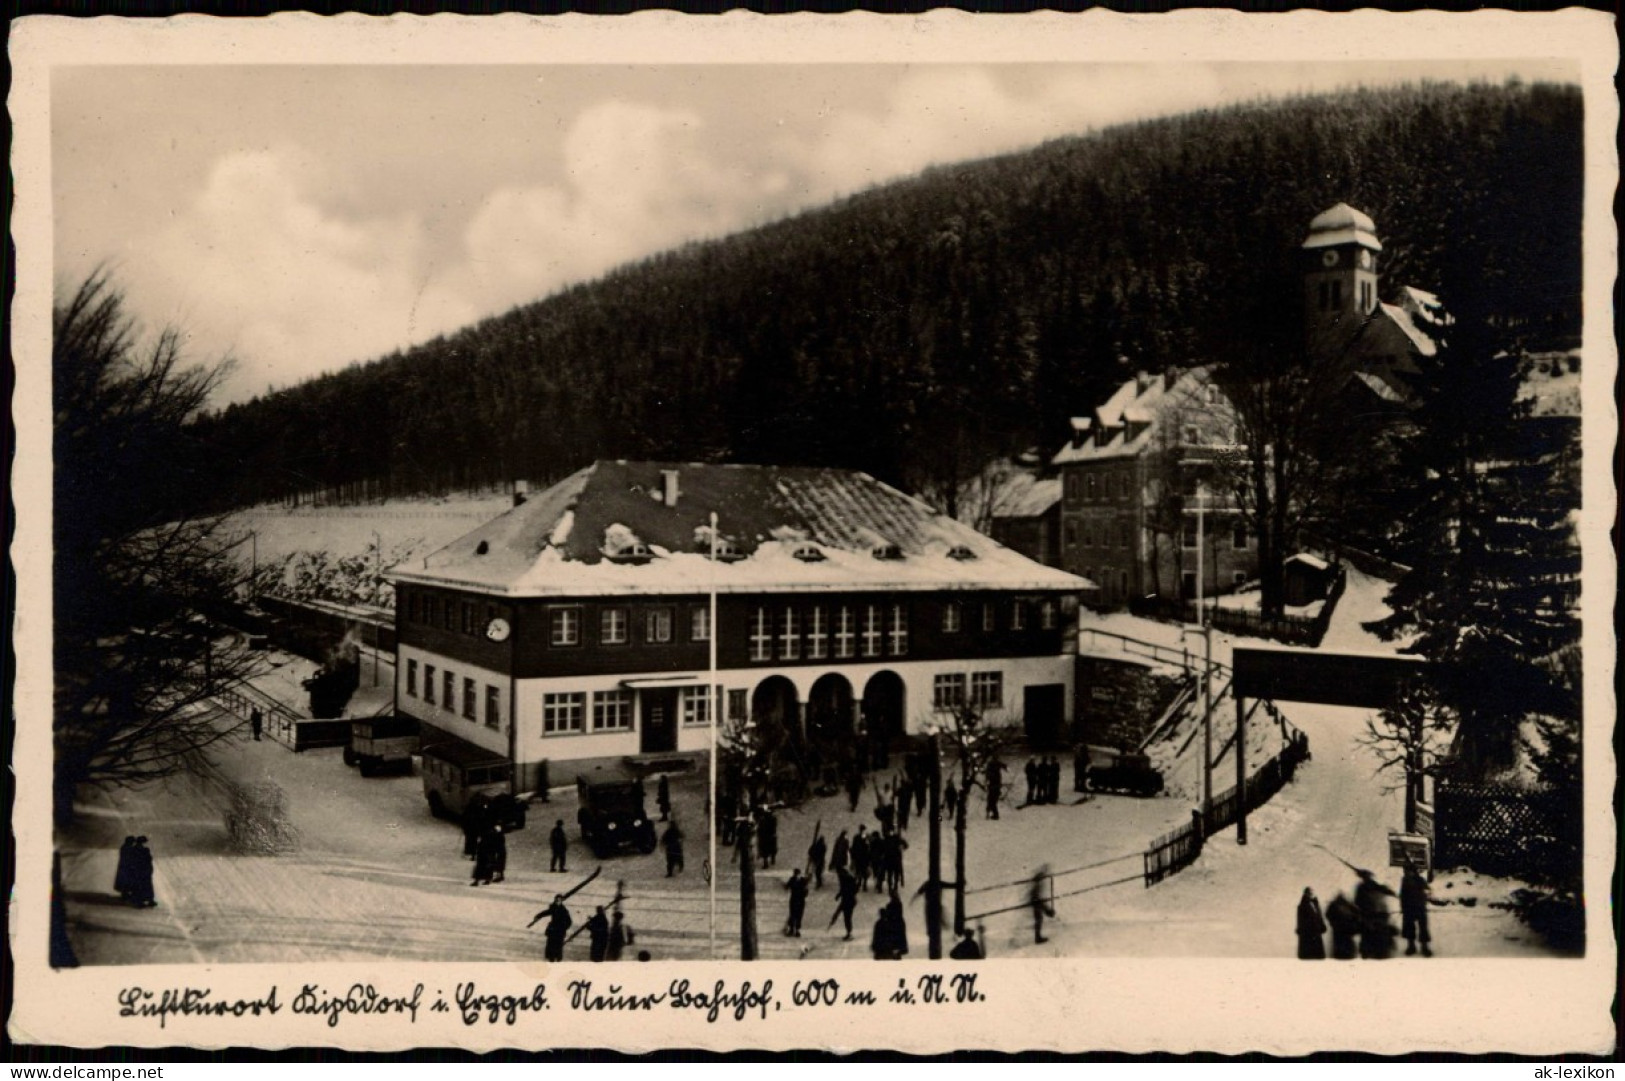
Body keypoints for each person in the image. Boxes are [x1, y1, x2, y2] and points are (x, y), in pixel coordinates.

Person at [1354, 869, 1397, 960]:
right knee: (1370, 937)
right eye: (1367, 877)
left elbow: (1388, 891)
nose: (1368, 879)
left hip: (1378, 916)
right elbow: (1357, 903)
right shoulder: (1363, 888)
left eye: (1368, 877)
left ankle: (1377, 952)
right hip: (1371, 917)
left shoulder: (1373, 886)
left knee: (1376, 937)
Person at [1400, 864, 1433, 957]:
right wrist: (1402, 907)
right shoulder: (1404, 880)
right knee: (1409, 927)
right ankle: (1411, 946)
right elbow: (1402, 895)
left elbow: (1428, 890)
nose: (1406, 873)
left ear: (1413, 871)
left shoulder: (1420, 880)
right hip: (1408, 908)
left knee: (1423, 928)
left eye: (1407, 871)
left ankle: (1424, 947)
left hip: (1420, 908)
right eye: (1405, 871)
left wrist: (1426, 897)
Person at [529, 895, 572, 962]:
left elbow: (569, 922)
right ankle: (551, 959)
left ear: (561, 901)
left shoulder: (564, 911)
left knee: (558, 947)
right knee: (551, 946)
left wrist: (563, 928)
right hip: (552, 930)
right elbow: (546, 912)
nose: (557, 902)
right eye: (556, 900)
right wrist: (538, 915)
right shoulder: (553, 908)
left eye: (559, 901)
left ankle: (558, 961)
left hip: (559, 932)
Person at [1325, 892, 1361, 960]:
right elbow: (1357, 914)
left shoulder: (1335, 905)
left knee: (1341, 953)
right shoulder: (1347, 905)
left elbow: (1328, 915)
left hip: (1341, 933)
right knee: (1347, 953)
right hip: (1346, 933)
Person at [828, 865, 859, 940]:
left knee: (846, 917)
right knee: (841, 914)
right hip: (848, 900)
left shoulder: (845, 879)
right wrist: (839, 895)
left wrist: (839, 895)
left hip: (848, 900)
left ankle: (849, 933)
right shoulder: (848, 878)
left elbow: (845, 889)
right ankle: (833, 924)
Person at [1296, 887, 1327, 960]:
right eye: (1310, 893)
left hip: (1316, 932)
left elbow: (1319, 916)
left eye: (1312, 892)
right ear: (1306, 894)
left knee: (1315, 953)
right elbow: (1301, 921)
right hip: (1309, 933)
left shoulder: (1315, 904)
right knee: (1310, 954)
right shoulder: (1302, 906)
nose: (1311, 894)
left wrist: (1322, 926)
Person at [128, 837, 156, 908]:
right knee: (145, 885)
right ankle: (147, 900)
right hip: (144, 870)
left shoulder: (133, 849)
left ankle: (140, 900)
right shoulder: (145, 850)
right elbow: (149, 859)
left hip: (138, 870)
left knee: (139, 885)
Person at [1029, 866, 1055, 944]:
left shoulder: (1037, 885)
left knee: (1039, 919)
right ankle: (1038, 938)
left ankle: (1038, 937)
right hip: (1036, 902)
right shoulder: (1037, 886)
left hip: (1036, 901)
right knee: (1038, 919)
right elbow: (1037, 897)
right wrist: (1046, 909)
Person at [785, 869, 809, 937]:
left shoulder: (802, 880)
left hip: (798, 900)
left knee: (797, 915)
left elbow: (806, 891)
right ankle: (793, 929)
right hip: (796, 900)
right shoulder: (795, 880)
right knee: (794, 914)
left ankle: (795, 930)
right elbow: (787, 886)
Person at [114, 836, 137, 903]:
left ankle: (124, 894)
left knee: (124, 880)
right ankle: (125, 894)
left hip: (124, 866)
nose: (133, 843)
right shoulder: (128, 848)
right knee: (127, 880)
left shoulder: (124, 847)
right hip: (127, 866)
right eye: (133, 842)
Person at [851, 826, 872, 892]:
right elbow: (854, 847)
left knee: (861, 871)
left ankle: (862, 883)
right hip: (861, 857)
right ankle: (861, 883)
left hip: (862, 857)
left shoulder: (865, 837)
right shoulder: (858, 837)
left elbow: (868, 847)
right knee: (860, 871)